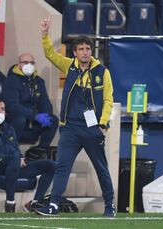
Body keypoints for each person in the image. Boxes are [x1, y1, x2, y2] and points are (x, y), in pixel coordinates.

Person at [35, 17, 116, 217]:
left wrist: (103, 124)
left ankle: (110, 206)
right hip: (70, 128)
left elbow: (108, 100)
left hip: (92, 129)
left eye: (87, 49)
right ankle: (53, 205)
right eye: (80, 49)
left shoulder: (102, 72)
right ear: (75, 52)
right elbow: (49, 54)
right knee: (62, 166)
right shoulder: (69, 65)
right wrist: (45, 34)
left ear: (91, 51)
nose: (85, 52)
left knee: (101, 168)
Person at [0, 98, 56, 213]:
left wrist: (21, 157)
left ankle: (34, 202)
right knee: (13, 160)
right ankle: (10, 202)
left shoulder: (8, 128)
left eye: (2, 109)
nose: (0, 112)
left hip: (14, 167)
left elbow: (16, 148)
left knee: (51, 165)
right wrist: (11, 157)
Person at [2, 53, 59, 149]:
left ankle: (41, 151)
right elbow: (12, 105)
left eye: (31, 63)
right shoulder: (11, 80)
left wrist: (46, 115)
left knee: (53, 119)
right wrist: (34, 116)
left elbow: (45, 101)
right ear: (19, 64)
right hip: (16, 117)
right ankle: (12, 150)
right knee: (20, 118)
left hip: (33, 118)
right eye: (25, 62)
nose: (29, 65)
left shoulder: (39, 81)